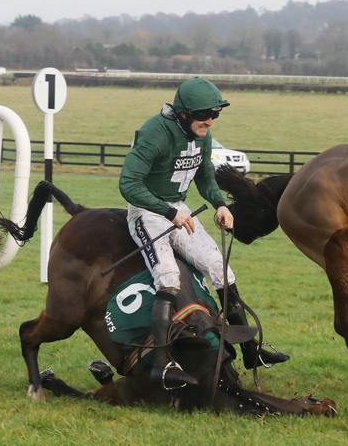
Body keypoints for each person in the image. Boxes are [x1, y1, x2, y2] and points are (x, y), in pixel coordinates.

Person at [119, 77, 289, 389]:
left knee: (220, 268)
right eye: (203, 115)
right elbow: (128, 185)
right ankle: (161, 364)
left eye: (215, 115)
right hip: (147, 213)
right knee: (168, 276)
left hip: (178, 209)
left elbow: (206, 175)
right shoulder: (155, 133)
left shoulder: (202, 135)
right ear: (183, 114)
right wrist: (170, 212)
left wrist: (220, 205)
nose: (209, 121)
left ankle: (251, 350)